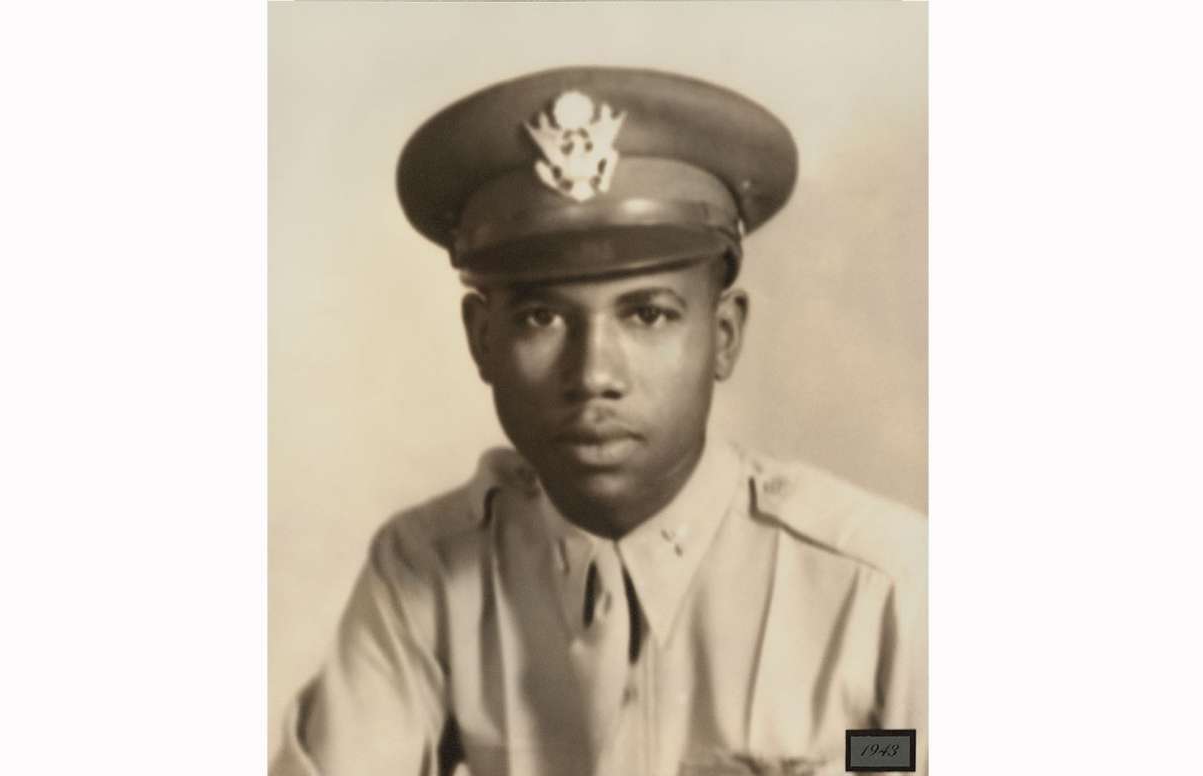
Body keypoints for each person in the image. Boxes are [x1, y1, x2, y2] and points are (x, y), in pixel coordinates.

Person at [271, 66, 926, 776]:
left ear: (724, 335)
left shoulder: (881, 590)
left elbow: (904, 758)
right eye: (541, 317)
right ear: (483, 340)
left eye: (648, 314)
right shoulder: (425, 578)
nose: (592, 375)